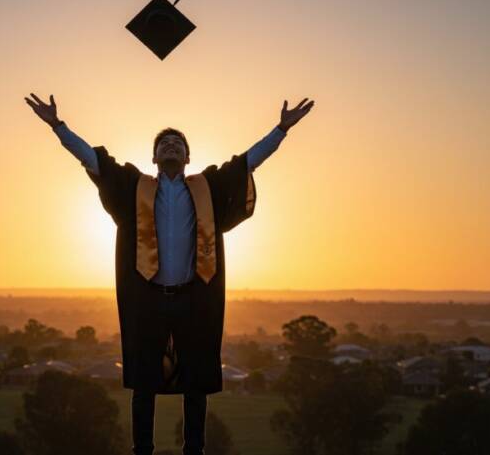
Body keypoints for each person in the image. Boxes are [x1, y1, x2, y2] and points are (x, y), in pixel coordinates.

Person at [25, 93, 314, 455]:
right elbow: (93, 159)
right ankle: (141, 450)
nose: (171, 147)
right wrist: (57, 125)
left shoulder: (206, 187)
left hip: (194, 299)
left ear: (188, 157)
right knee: (144, 382)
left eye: (178, 143)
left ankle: (194, 450)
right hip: (148, 299)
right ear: (155, 157)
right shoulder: (135, 187)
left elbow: (247, 162)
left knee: (195, 381)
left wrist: (282, 130)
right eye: (164, 144)